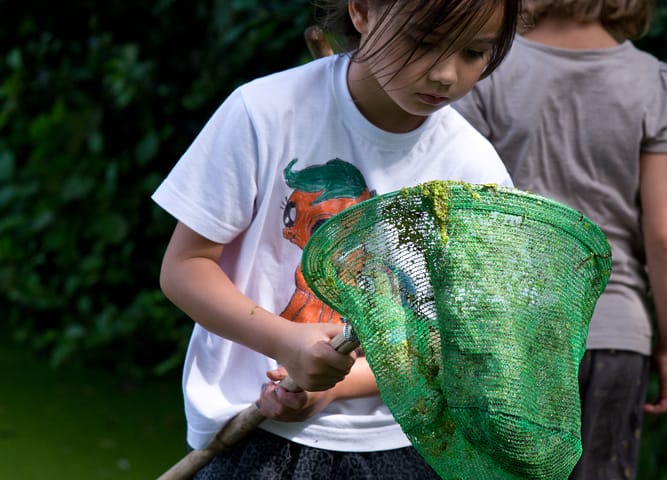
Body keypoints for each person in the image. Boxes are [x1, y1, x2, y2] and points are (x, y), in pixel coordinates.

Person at [152, 0, 520, 477]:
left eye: (473, 52)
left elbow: (460, 341)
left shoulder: (475, 171)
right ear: (363, 12)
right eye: (423, 43)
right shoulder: (263, 112)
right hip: (250, 437)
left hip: (403, 447)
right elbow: (184, 269)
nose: (447, 74)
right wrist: (285, 340)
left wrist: (335, 386)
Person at [454, 1, 667, 479]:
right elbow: (665, 235)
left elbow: (463, 218)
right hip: (615, 330)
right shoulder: (650, 80)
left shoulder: (486, 69)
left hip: (506, 333)